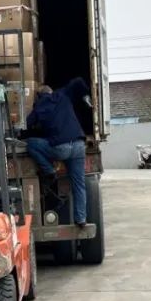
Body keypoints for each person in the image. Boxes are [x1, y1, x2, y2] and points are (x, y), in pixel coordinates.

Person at [25, 78, 90, 226]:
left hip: (60, 148)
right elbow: (78, 81)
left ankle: (49, 171)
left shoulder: (39, 106)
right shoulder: (62, 94)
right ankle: (81, 219)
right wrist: (86, 94)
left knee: (31, 143)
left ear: (39, 96)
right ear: (51, 91)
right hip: (79, 145)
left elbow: (25, 125)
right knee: (79, 185)